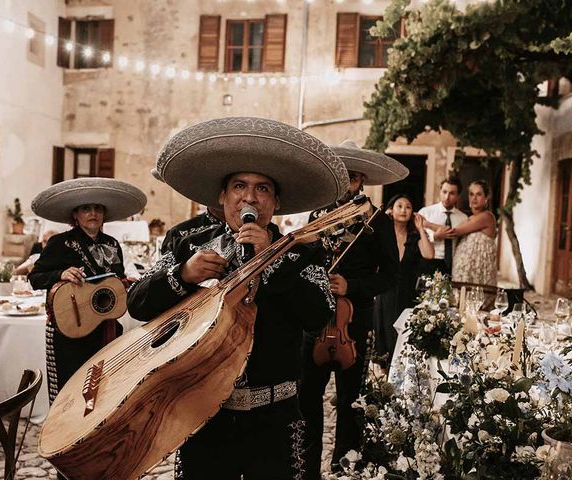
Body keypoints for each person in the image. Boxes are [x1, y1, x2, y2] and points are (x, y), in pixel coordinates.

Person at [128, 117, 348, 479]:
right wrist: (183, 274)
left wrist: (272, 261)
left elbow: (319, 315)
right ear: (222, 195)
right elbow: (137, 303)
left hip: (275, 418)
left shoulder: (300, 254)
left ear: (276, 201)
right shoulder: (190, 246)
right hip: (204, 417)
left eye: (262, 188)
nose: (249, 197)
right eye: (239, 185)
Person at [300, 140, 405, 479]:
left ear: (362, 180)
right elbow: (304, 261)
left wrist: (352, 287)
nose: (346, 183)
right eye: (341, 176)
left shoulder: (378, 222)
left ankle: (344, 462)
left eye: (353, 177)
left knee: (350, 398)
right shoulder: (318, 215)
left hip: (353, 320)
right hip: (314, 318)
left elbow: (391, 275)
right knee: (308, 396)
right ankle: (308, 464)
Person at [28, 178, 146, 411]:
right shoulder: (60, 243)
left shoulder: (113, 244)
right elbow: (35, 278)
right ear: (76, 215)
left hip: (105, 326)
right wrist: (61, 273)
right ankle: (64, 439)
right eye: (86, 209)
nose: (93, 213)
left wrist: (125, 284)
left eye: (98, 209)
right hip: (70, 331)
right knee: (69, 392)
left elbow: (116, 280)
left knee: (103, 390)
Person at [374, 194, 434, 361]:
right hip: (384, 291)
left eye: (408, 207)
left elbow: (428, 254)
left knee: (402, 335)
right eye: (399, 206)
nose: (403, 210)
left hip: (407, 292)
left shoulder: (415, 236)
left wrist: (421, 228)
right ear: (391, 210)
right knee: (382, 335)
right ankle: (383, 370)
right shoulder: (383, 234)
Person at [449, 180, 498, 285]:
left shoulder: (487, 217)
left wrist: (427, 224)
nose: (474, 198)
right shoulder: (468, 218)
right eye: (471, 194)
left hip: (480, 276)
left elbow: (454, 231)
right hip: (464, 276)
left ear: (486, 198)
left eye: (479, 194)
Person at [418, 176, 468, 276]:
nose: (447, 197)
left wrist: (428, 224)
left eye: (452, 193)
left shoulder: (463, 218)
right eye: (444, 192)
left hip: (454, 264)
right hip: (430, 261)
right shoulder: (425, 213)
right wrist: (434, 237)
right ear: (440, 191)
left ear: (458, 196)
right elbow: (417, 240)